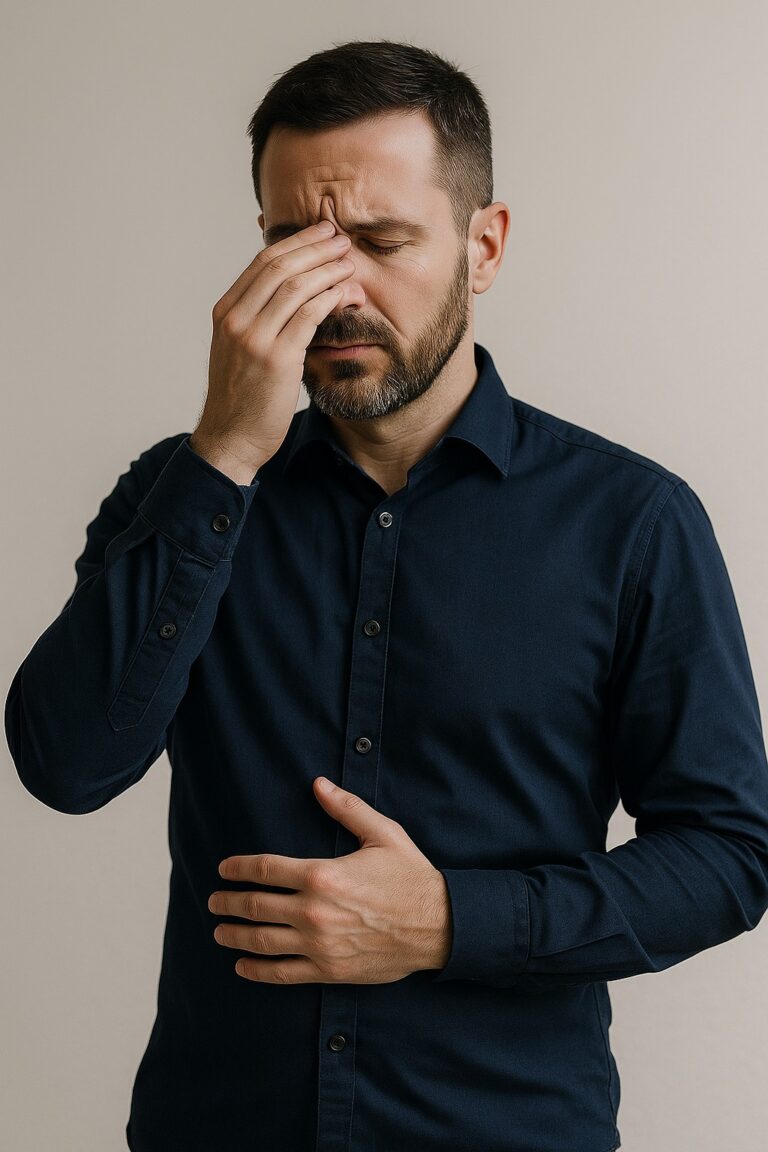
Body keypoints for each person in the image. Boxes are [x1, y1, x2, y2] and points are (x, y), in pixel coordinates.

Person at [6, 38, 768, 1152]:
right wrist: (222, 455)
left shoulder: (632, 523)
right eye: (292, 244)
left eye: (379, 241)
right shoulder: (182, 495)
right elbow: (66, 765)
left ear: (484, 244)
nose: (332, 292)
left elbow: (728, 856)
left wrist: (452, 922)